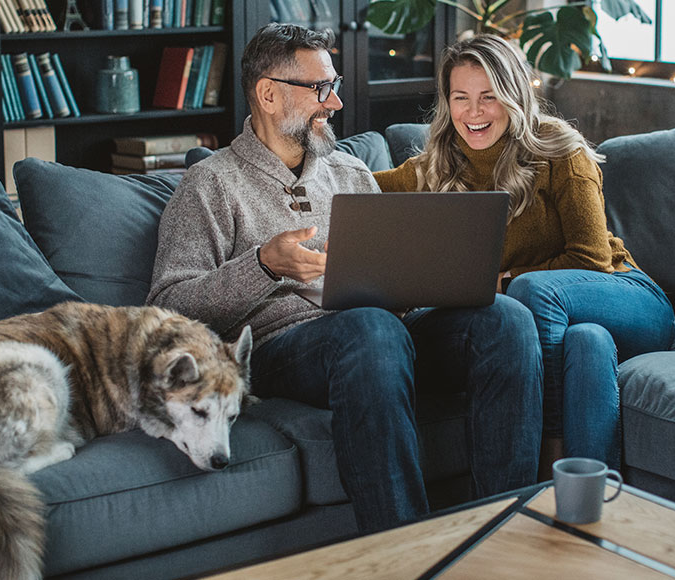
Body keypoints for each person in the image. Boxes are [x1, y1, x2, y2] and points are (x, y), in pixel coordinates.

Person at [147, 23, 543, 534]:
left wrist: (436, 283)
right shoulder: (209, 185)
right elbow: (168, 307)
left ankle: (505, 532)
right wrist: (263, 265)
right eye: (319, 89)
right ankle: (405, 549)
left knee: (505, 318)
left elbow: (390, 281)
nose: (334, 103)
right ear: (268, 94)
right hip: (283, 348)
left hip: (382, 332)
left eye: (333, 86)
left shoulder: (351, 173)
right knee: (370, 329)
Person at [374, 34, 675, 475]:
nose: (473, 112)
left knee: (533, 290)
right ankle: (593, 502)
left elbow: (592, 258)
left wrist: (505, 281)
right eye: (461, 97)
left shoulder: (559, 149)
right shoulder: (435, 165)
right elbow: (358, 189)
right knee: (586, 342)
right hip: (575, 324)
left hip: (630, 298)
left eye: (489, 97)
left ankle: (546, 454)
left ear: (514, 95)